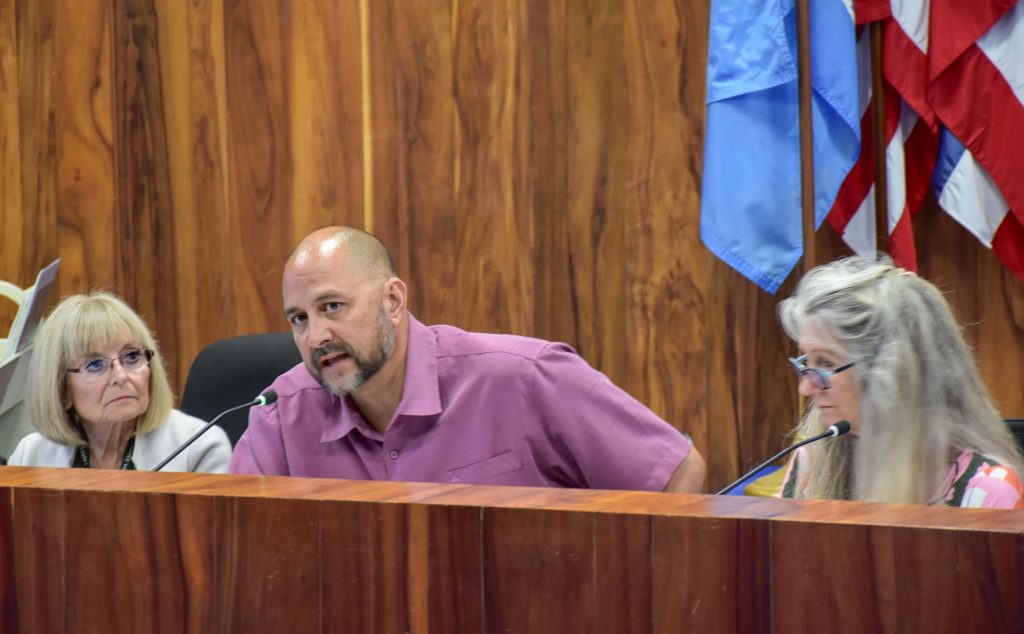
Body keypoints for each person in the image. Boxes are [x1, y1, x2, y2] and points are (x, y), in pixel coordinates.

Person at [230, 226, 705, 492]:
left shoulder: (525, 376)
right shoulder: (280, 417)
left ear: (393, 301)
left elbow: (679, 474)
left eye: (332, 307)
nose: (316, 336)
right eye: (298, 319)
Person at [777, 255, 1024, 508]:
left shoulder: (986, 492)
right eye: (806, 363)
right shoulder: (812, 462)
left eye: (826, 364)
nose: (805, 388)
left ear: (893, 373)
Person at [8, 292, 231, 472]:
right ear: (62, 389)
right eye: (95, 365)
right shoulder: (31, 456)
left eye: (132, 356)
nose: (121, 376)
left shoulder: (199, 448)